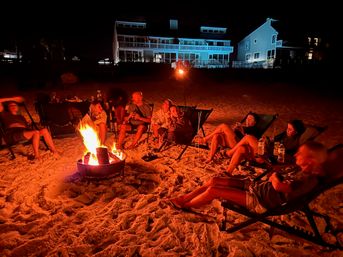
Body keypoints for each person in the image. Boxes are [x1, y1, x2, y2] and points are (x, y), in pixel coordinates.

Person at [168, 141, 328, 213]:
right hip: (255, 186)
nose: (297, 154)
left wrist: (274, 178)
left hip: (259, 200)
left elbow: (279, 186)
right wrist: (275, 175)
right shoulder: (299, 168)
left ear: (311, 160)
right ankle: (183, 199)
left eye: (301, 153)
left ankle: (185, 205)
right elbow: (278, 174)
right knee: (214, 180)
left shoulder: (308, 179)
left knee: (213, 190)